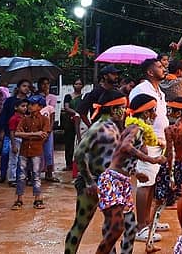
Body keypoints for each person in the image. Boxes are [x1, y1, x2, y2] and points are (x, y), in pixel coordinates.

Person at [96, 94, 166, 254]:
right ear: (145, 113)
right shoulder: (136, 129)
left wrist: (137, 172)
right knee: (115, 227)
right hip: (112, 180)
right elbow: (126, 148)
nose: (155, 115)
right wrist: (152, 159)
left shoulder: (134, 129)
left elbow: (122, 158)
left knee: (129, 227)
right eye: (152, 111)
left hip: (122, 181)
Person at [64, 89, 127, 254]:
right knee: (80, 225)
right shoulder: (99, 128)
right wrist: (89, 181)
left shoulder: (113, 127)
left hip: (107, 184)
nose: (125, 111)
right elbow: (78, 154)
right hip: (92, 184)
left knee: (111, 226)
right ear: (114, 109)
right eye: (122, 107)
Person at [129, 58, 170, 243]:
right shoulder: (141, 90)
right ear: (150, 72)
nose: (164, 68)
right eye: (160, 66)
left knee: (152, 183)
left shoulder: (159, 91)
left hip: (160, 143)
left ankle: (148, 221)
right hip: (147, 142)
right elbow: (134, 116)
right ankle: (140, 227)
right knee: (145, 183)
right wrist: (143, 143)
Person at [12, 95, 50, 211]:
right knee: (21, 176)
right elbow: (17, 134)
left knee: (36, 176)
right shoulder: (25, 119)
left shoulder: (44, 119)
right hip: (26, 150)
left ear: (40, 107)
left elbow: (44, 135)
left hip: (35, 150)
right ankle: (19, 199)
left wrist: (28, 135)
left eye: (33, 104)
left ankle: (37, 199)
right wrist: (36, 134)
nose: (29, 106)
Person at [0, 78, 32, 183]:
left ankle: (24, 176)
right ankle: (3, 175)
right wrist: (2, 131)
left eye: (28, 86)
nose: (26, 88)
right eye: (24, 86)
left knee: (24, 156)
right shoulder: (10, 101)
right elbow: (4, 116)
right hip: (9, 132)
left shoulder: (30, 102)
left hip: (24, 134)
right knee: (6, 153)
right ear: (18, 87)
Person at [37, 77, 60, 182]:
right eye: (43, 84)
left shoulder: (52, 98)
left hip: (47, 128)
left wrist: (49, 129)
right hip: (37, 128)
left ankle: (49, 173)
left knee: (48, 152)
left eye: (47, 84)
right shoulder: (35, 97)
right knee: (37, 151)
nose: (45, 86)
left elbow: (51, 112)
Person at [62, 78, 86, 171]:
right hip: (69, 122)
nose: (78, 85)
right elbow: (66, 107)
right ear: (73, 85)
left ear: (83, 86)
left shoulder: (84, 97)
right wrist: (76, 113)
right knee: (69, 143)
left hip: (81, 122)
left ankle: (80, 164)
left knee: (80, 141)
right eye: (76, 84)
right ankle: (69, 164)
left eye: (80, 84)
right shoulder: (68, 96)